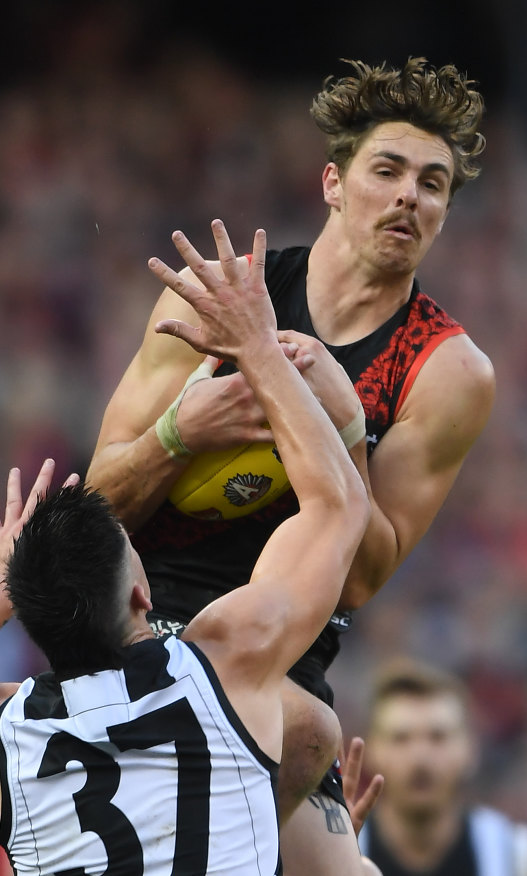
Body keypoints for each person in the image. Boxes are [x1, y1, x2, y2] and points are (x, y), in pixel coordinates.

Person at [86, 57, 496, 872]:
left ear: (446, 211)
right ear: (334, 184)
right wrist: (178, 434)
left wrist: (340, 421)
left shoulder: (448, 371)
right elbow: (91, 512)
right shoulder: (217, 299)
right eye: (387, 170)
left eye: (433, 183)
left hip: (285, 666)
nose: (409, 195)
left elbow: (362, 576)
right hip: (134, 627)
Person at [0, 223, 379, 874]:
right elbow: (338, 507)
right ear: (143, 592)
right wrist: (259, 349)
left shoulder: (12, 730)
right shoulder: (230, 666)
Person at [358, 657, 527, 876]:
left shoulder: (516, 857)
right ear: (371, 750)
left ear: (470, 748)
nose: (420, 757)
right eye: (401, 738)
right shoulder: (341, 853)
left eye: (438, 737)